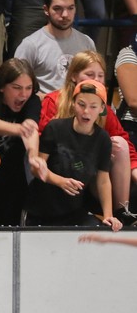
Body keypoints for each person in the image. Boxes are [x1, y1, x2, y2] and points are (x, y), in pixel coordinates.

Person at [24, 79, 123, 230]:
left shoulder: (103, 139)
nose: (86, 111)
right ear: (73, 103)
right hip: (41, 210)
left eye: (93, 106)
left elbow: (103, 180)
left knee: (97, 229)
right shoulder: (55, 128)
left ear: (102, 108)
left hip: (73, 211)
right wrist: (60, 182)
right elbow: (37, 169)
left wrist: (108, 215)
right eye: (81, 104)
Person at [0, 58, 41, 226]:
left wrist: (33, 155)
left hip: (13, 177)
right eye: (17, 88)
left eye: (28, 88)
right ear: (2, 86)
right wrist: (20, 129)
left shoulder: (32, 101)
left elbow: (32, 130)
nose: (23, 94)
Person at [14, 0, 95, 93]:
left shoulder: (87, 42)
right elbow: (17, 87)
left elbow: (94, 82)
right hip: (45, 103)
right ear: (46, 10)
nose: (65, 14)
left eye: (70, 8)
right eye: (57, 8)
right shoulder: (30, 45)